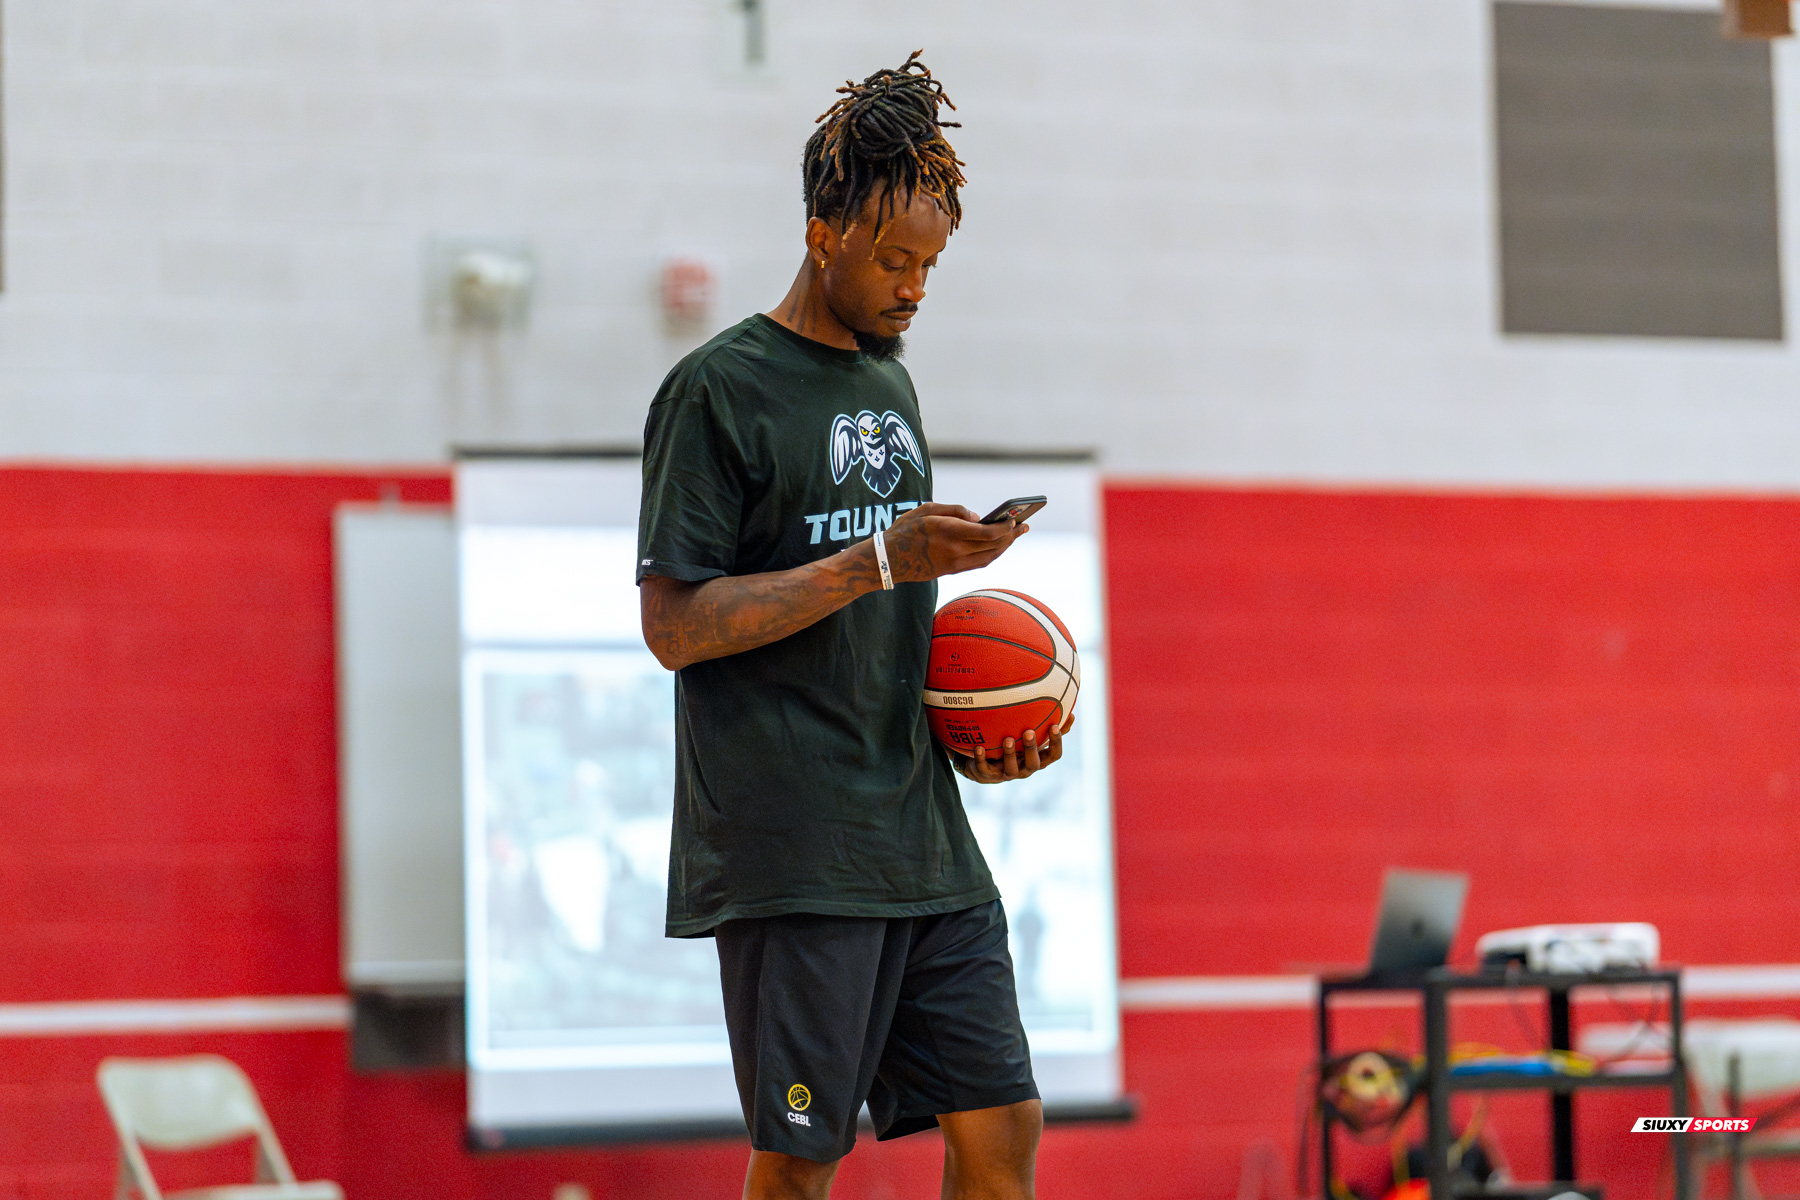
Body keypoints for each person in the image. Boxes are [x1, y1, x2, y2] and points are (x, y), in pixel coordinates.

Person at [636, 51, 1069, 1200]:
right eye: (893, 260)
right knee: (800, 1161)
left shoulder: (891, 385)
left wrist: (977, 726)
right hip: (797, 848)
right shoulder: (717, 390)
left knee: (1003, 1123)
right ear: (822, 234)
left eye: (930, 264)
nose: (914, 286)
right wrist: (876, 560)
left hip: (920, 835)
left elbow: (878, 630)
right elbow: (674, 627)